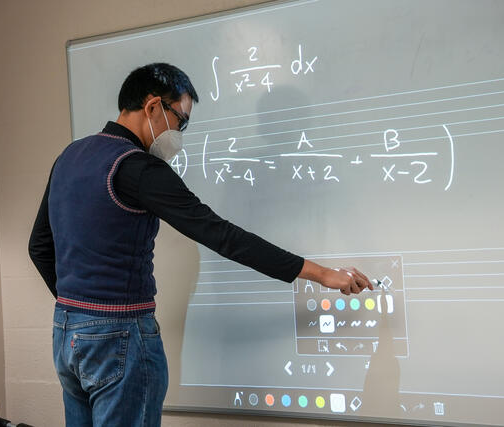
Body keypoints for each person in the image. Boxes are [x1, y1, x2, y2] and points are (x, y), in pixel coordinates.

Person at [28, 63, 373, 426]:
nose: (179, 132)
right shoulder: (139, 168)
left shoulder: (68, 156)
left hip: (67, 334)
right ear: (152, 107)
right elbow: (220, 234)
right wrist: (320, 273)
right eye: (181, 120)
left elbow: (39, 246)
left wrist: (83, 311)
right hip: (120, 337)